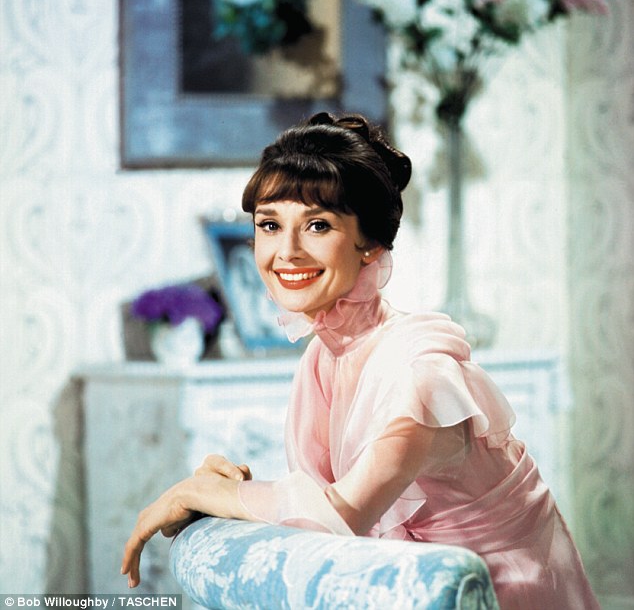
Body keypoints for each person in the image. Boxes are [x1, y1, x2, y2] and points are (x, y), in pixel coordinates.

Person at [121, 112, 599, 609]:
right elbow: (318, 513)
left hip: (504, 596)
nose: (287, 252)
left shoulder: (420, 373)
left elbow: (339, 517)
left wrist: (192, 494)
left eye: (317, 225)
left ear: (369, 243)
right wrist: (229, 491)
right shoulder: (323, 359)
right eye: (270, 225)